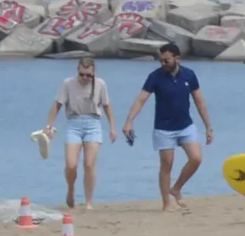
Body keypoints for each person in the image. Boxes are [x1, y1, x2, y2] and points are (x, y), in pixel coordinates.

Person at [120, 43, 214, 212]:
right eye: (161, 60)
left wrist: (208, 126)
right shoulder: (155, 77)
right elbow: (141, 99)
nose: (162, 64)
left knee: (196, 158)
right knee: (166, 164)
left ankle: (176, 188)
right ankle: (166, 203)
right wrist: (129, 121)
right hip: (163, 128)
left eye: (166, 60)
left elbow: (199, 101)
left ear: (177, 59)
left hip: (185, 125)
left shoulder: (189, 75)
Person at [39, 55, 120, 211]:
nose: (85, 78)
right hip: (74, 123)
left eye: (89, 75)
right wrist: (49, 125)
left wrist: (112, 128)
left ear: (93, 73)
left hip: (93, 123)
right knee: (71, 164)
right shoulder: (68, 84)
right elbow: (57, 105)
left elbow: (107, 106)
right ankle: (71, 190)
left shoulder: (101, 84)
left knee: (89, 164)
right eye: (82, 74)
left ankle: (88, 201)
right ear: (77, 71)